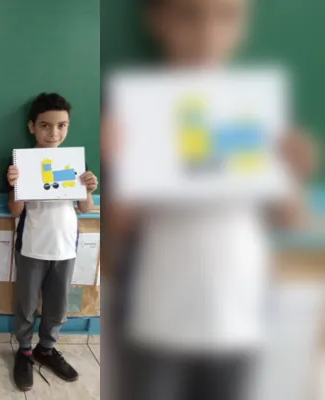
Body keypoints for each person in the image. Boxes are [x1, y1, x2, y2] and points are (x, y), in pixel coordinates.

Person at [103, 1, 320, 399]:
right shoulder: (140, 112)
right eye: (189, 16)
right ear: (157, 20)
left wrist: (295, 172)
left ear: (244, 23)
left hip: (238, 311)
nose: (207, 33)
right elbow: (117, 227)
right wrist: (118, 165)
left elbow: (291, 218)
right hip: (156, 311)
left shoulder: (255, 108)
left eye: (227, 17)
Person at [6, 93, 99, 392]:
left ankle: (47, 347)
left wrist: (88, 188)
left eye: (62, 126)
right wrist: (15, 185)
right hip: (32, 245)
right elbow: (16, 210)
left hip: (65, 247)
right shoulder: (22, 162)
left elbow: (85, 208)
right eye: (45, 126)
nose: (54, 133)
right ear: (32, 127)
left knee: (57, 306)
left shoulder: (74, 162)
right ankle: (24, 350)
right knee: (26, 304)